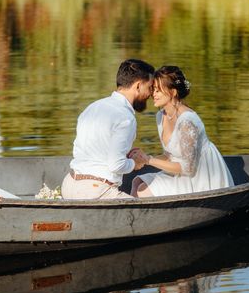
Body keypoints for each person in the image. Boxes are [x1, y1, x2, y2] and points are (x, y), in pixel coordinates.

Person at [130, 66, 234, 197]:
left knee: (143, 190)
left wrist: (149, 160)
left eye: (158, 90)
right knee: (137, 182)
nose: (153, 94)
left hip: (199, 176)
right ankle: (131, 217)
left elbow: (188, 168)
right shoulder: (161, 116)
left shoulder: (187, 121)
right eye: (153, 89)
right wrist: (141, 160)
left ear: (173, 92)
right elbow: (169, 156)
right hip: (180, 170)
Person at [61, 59, 154, 199]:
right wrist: (136, 163)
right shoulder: (126, 118)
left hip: (69, 185)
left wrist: (127, 154)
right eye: (150, 87)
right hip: (95, 192)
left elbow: (98, 149)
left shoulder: (92, 107)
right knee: (147, 215)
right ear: (138, 86)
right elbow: (116, 165)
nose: (151, 93)